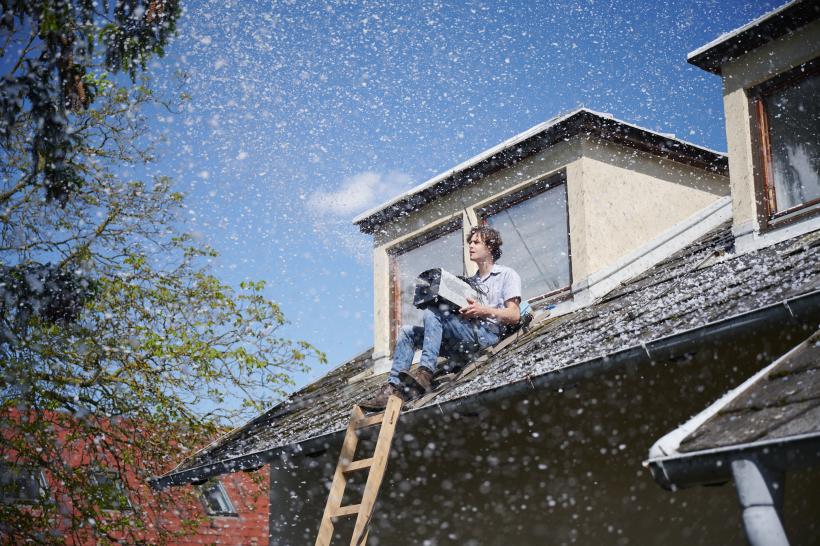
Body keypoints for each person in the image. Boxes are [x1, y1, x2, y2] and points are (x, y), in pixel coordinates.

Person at [360, 225, 522, 411]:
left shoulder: (507, 275)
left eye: (476, 242)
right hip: (462, 340)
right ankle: (392, 389)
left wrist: (482, 311)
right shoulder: (470, 282)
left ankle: (426, 372)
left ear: (491, 247)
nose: (470, 245)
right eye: (469, 242)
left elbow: (514, 315)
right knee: (407, 332)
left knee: (432, 312)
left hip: (487, 337)